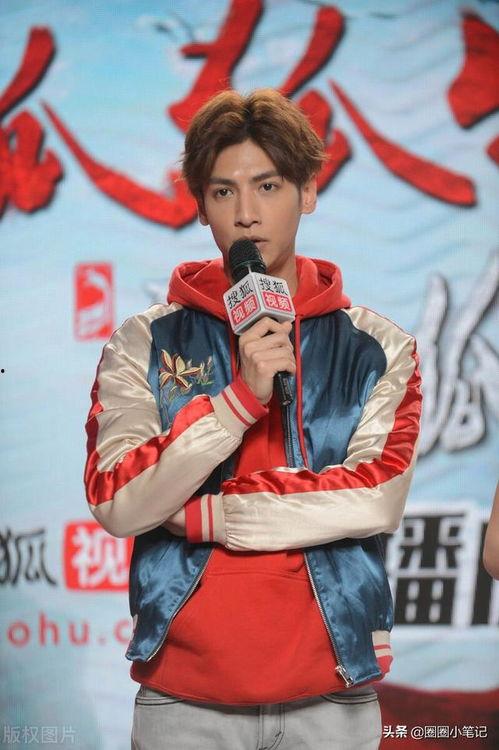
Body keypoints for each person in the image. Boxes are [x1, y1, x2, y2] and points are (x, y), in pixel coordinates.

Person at [84, 88, 422, 750]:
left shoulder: (378, 347)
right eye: (222, 192)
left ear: (307, 191)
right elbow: (119, 500)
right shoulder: (144, 342)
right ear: (200, 207)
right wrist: (238, 401)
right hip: (183, 700)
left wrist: (206, 516)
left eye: (267, 186)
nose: (245, 214)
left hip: (331, 693)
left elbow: (375, 496)